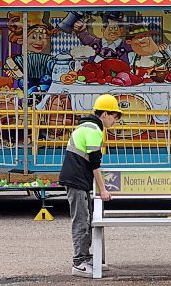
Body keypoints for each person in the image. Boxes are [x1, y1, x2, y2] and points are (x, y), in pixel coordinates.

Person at [59, 94, 122, 278]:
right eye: (114, 116)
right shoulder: (94, 130)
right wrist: (103, 189)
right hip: (77, 180)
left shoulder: (86, 126)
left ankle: (85, 258)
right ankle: (79, 262)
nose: (115, 121)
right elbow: (95, 163)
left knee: (85, 219)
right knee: (81, 221)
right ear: (104, 114)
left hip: (78, 180)